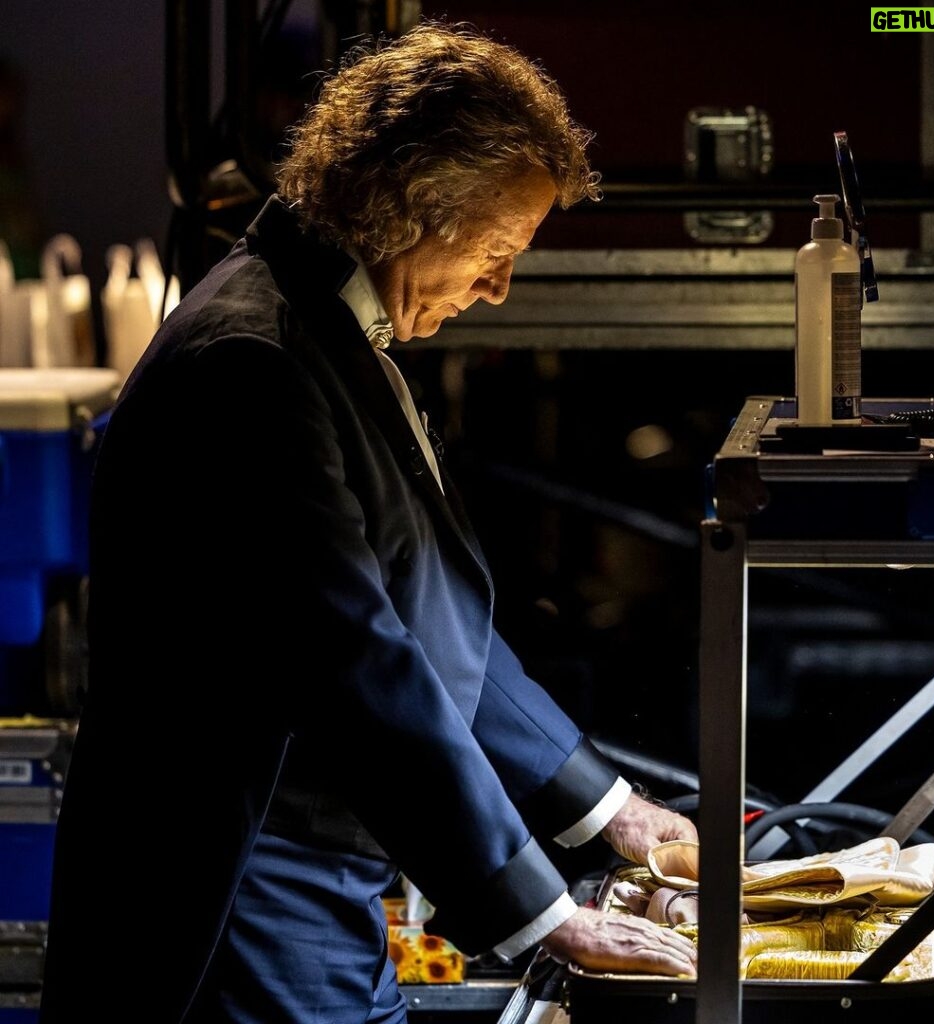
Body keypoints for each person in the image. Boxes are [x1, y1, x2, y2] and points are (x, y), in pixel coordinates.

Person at [40, 21, 700, 1024]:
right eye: (494, 248)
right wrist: (543, 913)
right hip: (243, 889)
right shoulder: (250, 363)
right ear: (408, 209)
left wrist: (611, 811)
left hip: (316, 880)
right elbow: (359, 662)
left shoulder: (334, 339)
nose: (497, 286)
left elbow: (435, 618)